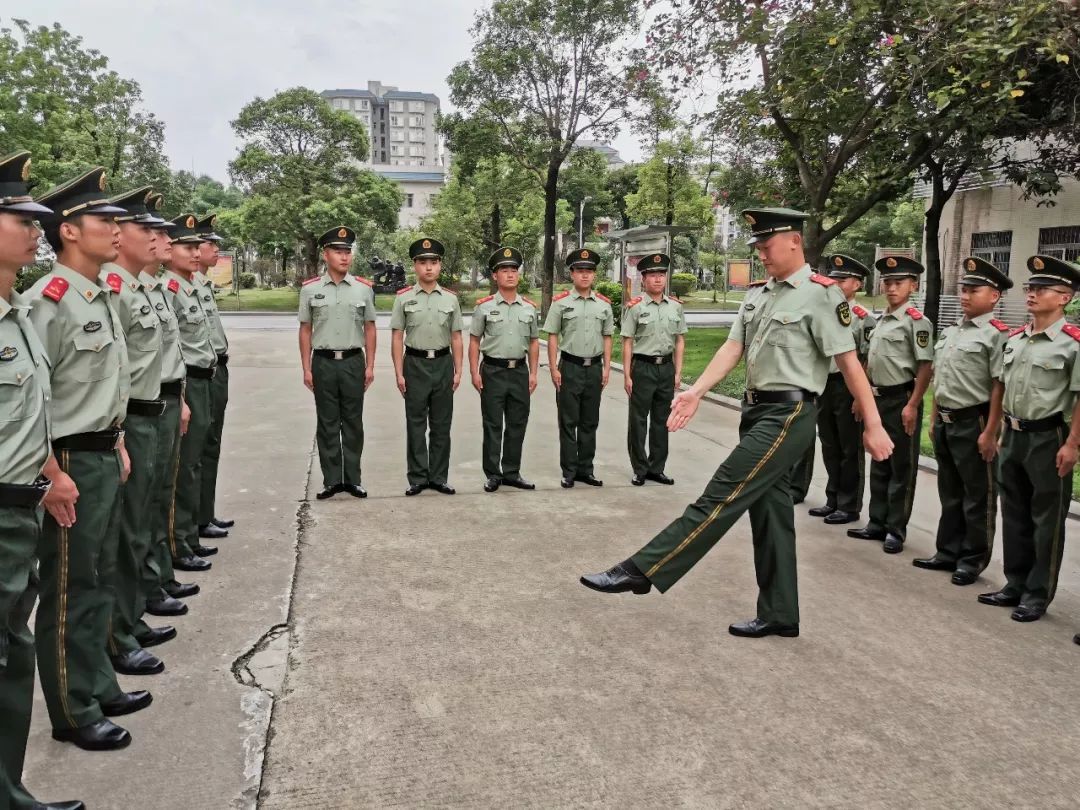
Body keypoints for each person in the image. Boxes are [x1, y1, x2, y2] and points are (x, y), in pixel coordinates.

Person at [580, 208, 893, 639]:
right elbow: (732, 348)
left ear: (794, 241)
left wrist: (873, 424)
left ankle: (643, 569)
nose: (761, 253)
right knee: (772, 516)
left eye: (767, 244)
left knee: (722, 493)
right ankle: (780, 613)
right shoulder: (759, 294)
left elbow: (849, 362)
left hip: (789, 414)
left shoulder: (822, 295)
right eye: (757, 246)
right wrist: (696, 391)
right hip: (756, 412)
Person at [27, 167, 151, 751]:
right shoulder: (48, 302)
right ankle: (72, 710)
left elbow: (106, 385)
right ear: (70, 231)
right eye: (105, 220)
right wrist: (50, 471)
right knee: (69, 589)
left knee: (98, 578)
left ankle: (98, 682)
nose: (117, 230)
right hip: (69, 460)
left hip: (102, 452)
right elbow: (34, 400)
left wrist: (118, 440)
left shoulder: (98, 295)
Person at [0, 151, 86, 809]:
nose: (38, 231)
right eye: (22, 220)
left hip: (21, 504)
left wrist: (51, 471)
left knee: (12, 653)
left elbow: (33, 412)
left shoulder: (18, 312)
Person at [978, 255, 1080, 622]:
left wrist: (1072, 444)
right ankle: (1015, 584)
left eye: (1042, 289)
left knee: (1046, 519)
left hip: (1048, 436)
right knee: (1015, 513)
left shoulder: (1072, 344)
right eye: (1030, 288)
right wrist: (995, 431)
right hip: (1014, 434)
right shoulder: (1016, 339)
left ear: (1065, 297)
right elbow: (1001, 388)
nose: (1032, 294)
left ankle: (1037, 594)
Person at [97, 186, 170, 677]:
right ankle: (119, 630)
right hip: (120, 425)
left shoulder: (132, 288)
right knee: (118, 539)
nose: (153, 237)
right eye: (145, 228)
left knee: (138, 523)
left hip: (144, 416)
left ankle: (130, 616)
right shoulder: (112, 290)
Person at [912, 257, 1011, 585]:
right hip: (946, 420)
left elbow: (999, 386)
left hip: (974, 420)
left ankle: (972, 558)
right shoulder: (952, 331)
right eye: (963, 289)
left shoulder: (996, 335)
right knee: (950, 491)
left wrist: (991, 431)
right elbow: (941, 377)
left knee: (977, 494)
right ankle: (947, 551)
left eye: (974, 290)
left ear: (994, 296)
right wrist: (933, 416)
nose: (965, 295)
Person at [847, 256, 933, 554]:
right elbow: (869, 362)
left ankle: (895, 529)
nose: (892, 288)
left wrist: (913, 404)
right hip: (878, 398)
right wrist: (863, 397)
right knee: (879, 462)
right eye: (888, 282)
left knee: (901, 467)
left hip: (901, 399)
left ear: (913, 286)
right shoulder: (881, 320)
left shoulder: (917, 322)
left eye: (899, 283)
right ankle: (876, 522)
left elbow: (925, 367)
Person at [138, 199, 196, 632]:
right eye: (154, 232)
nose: (164, 240)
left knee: (158, 496)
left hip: (167, 399)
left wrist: (182, 397)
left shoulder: (154, 290)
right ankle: (144, 590)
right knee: (139, 510)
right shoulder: (121, 293)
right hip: (138, 413)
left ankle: (157, 578)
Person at [298, 226, 376, 500]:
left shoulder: (363, 289)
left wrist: (370, 365)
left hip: (354, 362)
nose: (344, 257)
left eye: (347, 251)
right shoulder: (310, 290)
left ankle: (353, 479)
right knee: (328, 422)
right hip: (323, 363)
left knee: (353, 423)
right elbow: (305, 329)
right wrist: (306, 368)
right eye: (338, 251)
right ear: (326, 254)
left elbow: (370, 328)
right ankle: (332, 480)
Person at [162, 214, 218, 571]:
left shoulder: (190, 285)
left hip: (202, 379)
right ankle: (179, 541)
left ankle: (189, 533)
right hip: (186, 383)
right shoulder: (169, 289)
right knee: (183, 467)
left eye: (198, 246)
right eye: (188, 247)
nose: (196, 252)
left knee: (194, 460)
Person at [806, 255, 876, 524]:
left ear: (856, 284)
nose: (835, 284)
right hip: (826, 385)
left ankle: (849, 505)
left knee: (850, 448)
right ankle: (832, 498)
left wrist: (860, 396)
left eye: (842, 280)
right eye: (833, 279)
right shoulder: (825, 313)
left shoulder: (863, 318)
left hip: (848, 387)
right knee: (829, 444)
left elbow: (866, 359)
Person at [390, 237, 463, 496]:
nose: (428, 267)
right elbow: (397, 336)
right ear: (415, 266)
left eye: (433, 262)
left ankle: (439, 477)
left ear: (440, 265)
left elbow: (456, 336)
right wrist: (399, 373)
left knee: (442, 425)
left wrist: (459, 370)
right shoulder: (403, 299)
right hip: (415, 364)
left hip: (443, 364)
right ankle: (418, 478)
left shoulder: (451, 299)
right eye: (423, 262)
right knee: (416, 425)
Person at [469, 247, 540, 493]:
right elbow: (475, 340)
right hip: (493, 371)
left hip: (519, 371)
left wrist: (533, 372)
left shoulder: (529, 308)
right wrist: (474, 372)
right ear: (495, 276)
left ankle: (512, 472)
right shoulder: (484, 307)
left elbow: (533, 342)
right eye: (504, 270)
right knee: (492, 424)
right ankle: (493, 474)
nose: (510, 274)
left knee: (517, 423)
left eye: (513, 270)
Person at [543, 248, 614, 488]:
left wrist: (606, 368)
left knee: (589, 422)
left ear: (594, 275)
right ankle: (569, 471)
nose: (585, 275)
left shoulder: (603, 305)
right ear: (572, 273)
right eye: (580, 270)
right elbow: (553, 335)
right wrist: (553, 368)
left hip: (594, 368)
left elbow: (607, 336)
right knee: (568, 421)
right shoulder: (561, 303)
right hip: (570, 367)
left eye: (589, 271)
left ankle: (586, 470)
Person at [620, 252, 686, 486]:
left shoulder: (675, 307)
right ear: (644, 279)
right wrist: (627, 375)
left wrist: (678, 372)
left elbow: (680, 340)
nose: (658, 279)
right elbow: (627, 342)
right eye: (652, 275)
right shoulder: (635, 307)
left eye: (661, 275)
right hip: (642, 368)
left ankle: (657, 468)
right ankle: (640, 468)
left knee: (662, 420)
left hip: (666, 368)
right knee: (638, 421)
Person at [193, 214, 233, 539]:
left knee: (211, 445)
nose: (215, 249)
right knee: (197, 450)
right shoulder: (184, 287)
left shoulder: (203, 286)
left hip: (217, 369)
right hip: (201, 374)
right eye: (210, 243)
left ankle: (205, 514)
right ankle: (194, 521)